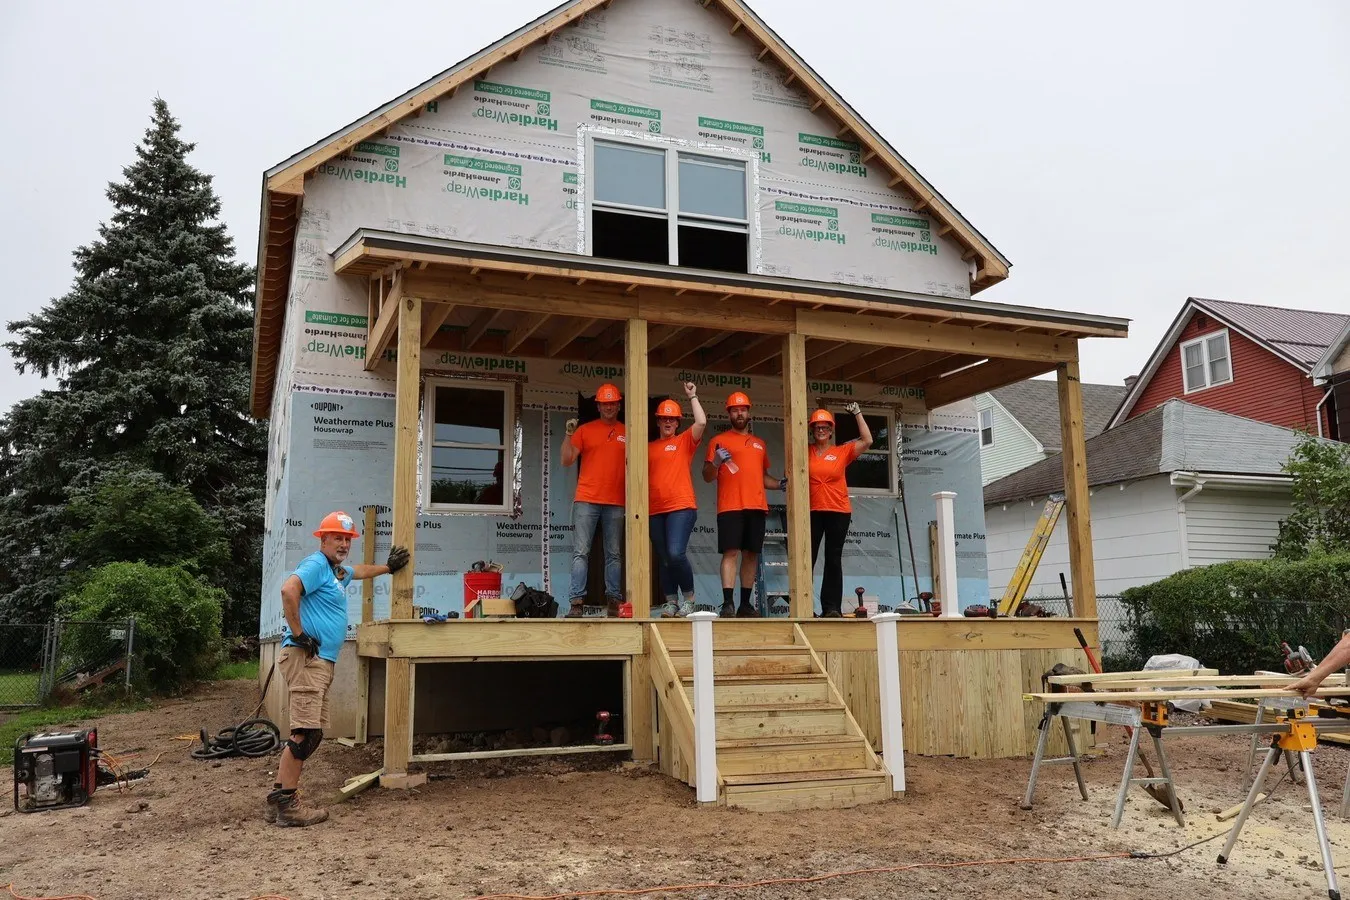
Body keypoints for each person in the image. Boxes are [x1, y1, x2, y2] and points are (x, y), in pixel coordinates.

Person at [266, 511, 409, 826]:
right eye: (338, 538)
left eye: (347, 539)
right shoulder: (317, 565)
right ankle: (288, 806)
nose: (344, 544)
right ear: (323, 539)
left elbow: (358, 570)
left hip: (319, 661)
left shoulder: (336, 571)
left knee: (308, 732)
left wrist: (388, 567)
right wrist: (300, 634)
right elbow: (289, 590)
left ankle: (279, 797)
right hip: (307, 660)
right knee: (305, 733)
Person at [702, 391, 786, 618]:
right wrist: (716, 462)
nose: (739, 413)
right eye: (735, 410)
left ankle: (745, 605)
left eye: (743, 409)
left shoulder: (759, 444)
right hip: (730, 506)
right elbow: (707, 476)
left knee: (751, 555)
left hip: (756, 506)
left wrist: (780, 484)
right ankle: (728, 603)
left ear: (749, 412)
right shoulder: (718, 441)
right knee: (730, 553)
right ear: (729, 413)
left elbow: (763, 477)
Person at [562, 383, 627, 617]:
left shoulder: (627, 432)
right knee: (581, 552)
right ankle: (576, 603)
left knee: (614, 553)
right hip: (587, 499)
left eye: (612, 403)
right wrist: (569, 434)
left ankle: (614, 601)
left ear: (618, 405)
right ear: (598, 406)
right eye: (604, 403)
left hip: (616, 500)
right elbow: (567, 459)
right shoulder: (585, 430)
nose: (609, 407)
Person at [807, 403, 873, 617]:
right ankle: (805, 607)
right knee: (808, 558)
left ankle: (831, 608)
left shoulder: (841, 451)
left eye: (825, 426)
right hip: (812, 511)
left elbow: (867, 440)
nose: (821, 430)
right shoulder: (804, 450)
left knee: (833, 558)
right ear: (812, 429)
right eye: (817, 426)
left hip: (838, 511)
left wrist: (857, 413)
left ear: (831, 430)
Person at [649, 382, 707, 618]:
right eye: (664, 418)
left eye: (672, 419)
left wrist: (692, 396)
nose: (668, 422)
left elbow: (701, 422)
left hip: (681, 507)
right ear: (658, 421)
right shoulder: (649, 447)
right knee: (663, 558)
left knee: (675, 553)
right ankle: (671, 602)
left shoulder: (684, 441)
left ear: (677, 422)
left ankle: (689, 600)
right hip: (655, 510)